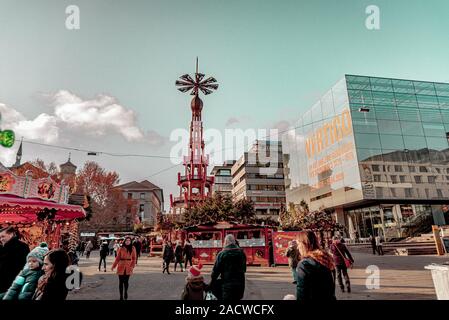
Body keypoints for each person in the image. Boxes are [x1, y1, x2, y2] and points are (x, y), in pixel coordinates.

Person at [296, 230, 336, 301]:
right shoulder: (325, 259)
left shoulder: (304, 264)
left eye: (298, 244)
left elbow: (302, 292)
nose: (297, 247)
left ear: (304, 244)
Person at [210, 234, 247, 301]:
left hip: (227, 284)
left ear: (226, 242)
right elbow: (244, 269)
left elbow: (215, 271)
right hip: (240, 284)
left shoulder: (222, 254)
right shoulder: (242, 253)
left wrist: (211, 283)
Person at [0, 227, 30, 296]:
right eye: (0, 237)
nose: (1, 239)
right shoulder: (4, 247)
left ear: (11, 234)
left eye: (3, 236)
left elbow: (23, 265)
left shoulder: (21, 247)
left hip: (10, 283)